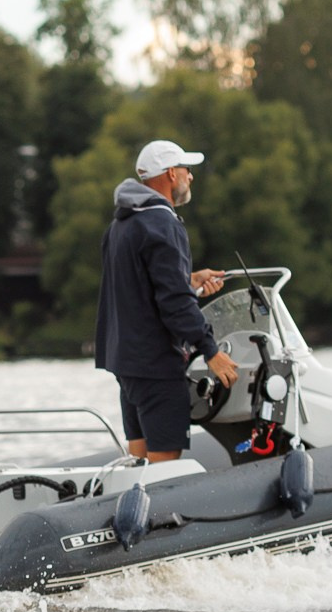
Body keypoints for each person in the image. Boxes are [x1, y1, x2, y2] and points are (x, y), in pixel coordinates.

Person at [95, 138, 240, 463]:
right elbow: (173, 302)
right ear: (172, 174)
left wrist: (190, 281)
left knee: (140, 460)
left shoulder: (121, 223)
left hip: (126, 365)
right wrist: (211, 351)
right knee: (163, 468)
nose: (191, 177)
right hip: (157, 367)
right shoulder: (162, 222)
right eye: (188, 170)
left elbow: (136, 286)